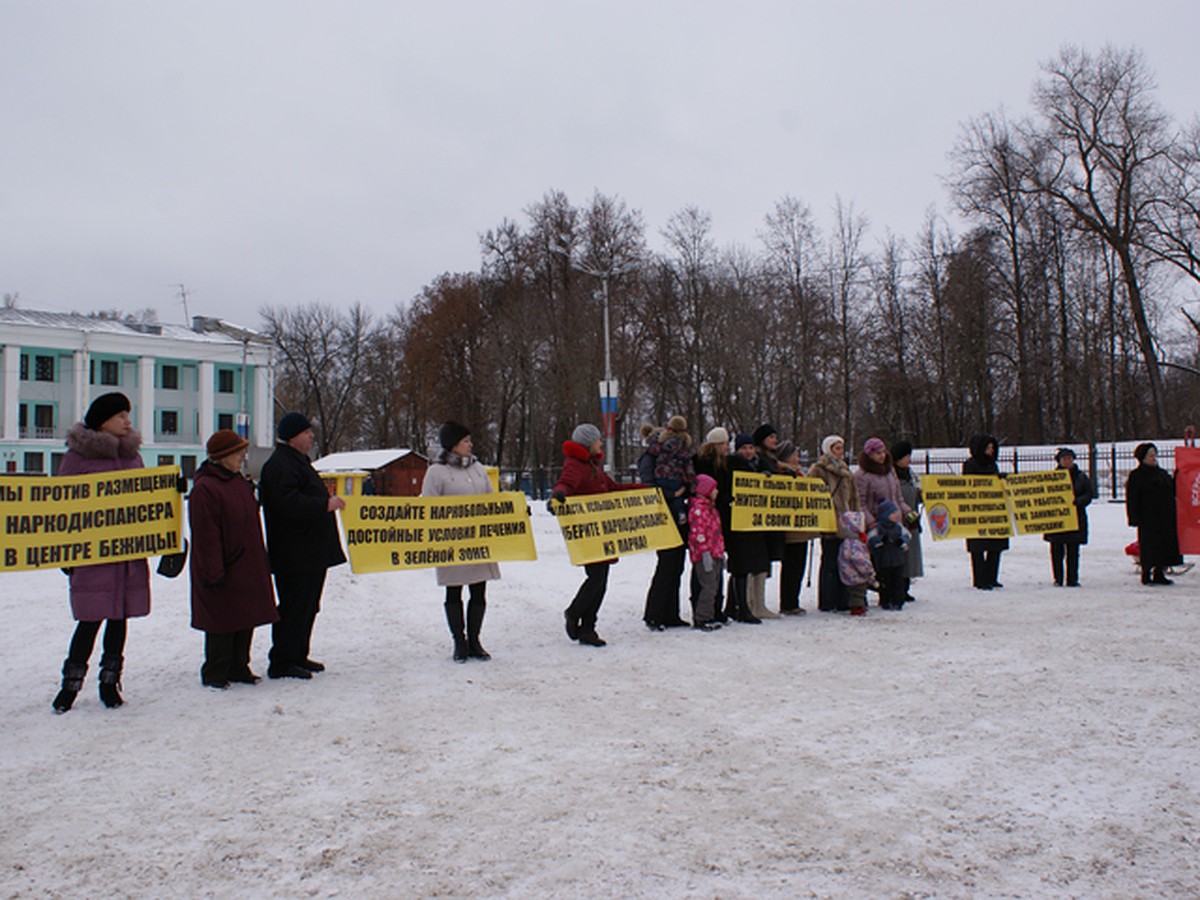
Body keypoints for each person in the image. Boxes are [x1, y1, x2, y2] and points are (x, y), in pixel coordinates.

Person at [51, 392, 150, 712]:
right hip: (93, 556)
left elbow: (146, 502)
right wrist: (66, 552)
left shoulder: (133, 456)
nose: (127, 421)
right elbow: (62, 508)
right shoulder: (78, 458)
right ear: (102, 421)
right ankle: (70, 685)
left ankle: (111, 681)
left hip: (127, 554)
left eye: (127, 415)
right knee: (90, 619)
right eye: (121, 415)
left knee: (120, 617)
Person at [188, 429, 279, 688]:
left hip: (246, 562)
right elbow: (206, 535)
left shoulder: (238, 482)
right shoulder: (206, 488)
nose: (243, 456)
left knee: (245, 615)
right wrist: (213, 571)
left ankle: (239, 666)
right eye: (238, 451)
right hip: (223, 564)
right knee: (221, 619)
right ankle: (216, 671)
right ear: (222, 456)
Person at [259, 412, 347, 679]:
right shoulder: (280, 465)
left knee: (309, 605)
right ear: (293, 436)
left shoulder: (297, 462)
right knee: (294, 606)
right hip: (294, 553)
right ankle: (283, 660)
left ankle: (298, 654)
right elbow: (287, 502)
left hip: (310, 551)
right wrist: (323, 504)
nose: (311, 437)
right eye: (306, 432)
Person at [550, 423, 640, 647]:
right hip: (588, 532)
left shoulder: (594, 465)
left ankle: (588, 628)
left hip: (602, 532)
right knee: (596, 579)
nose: (601, 443)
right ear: (589, 443)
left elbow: (613, 488)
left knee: (601, 582)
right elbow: (565, 483)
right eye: (598, 440)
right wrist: (558, 495)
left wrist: (644, 489)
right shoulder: (575, 465)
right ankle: (574, 613)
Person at [421, 422, 501, 662]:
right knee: (454, 592)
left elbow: (491, 499)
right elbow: (429, 506)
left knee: (479, 590)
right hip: (452, 542)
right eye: (465, 441)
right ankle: (459, 641)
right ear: (453, 445)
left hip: (478, 540)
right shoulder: (437, 472)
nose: (470, 444)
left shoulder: (478, 468)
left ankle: (475, 640)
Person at [640, 417, 694, 631]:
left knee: (677, 564)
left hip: (678, 510)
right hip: (661, 514)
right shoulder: (650, 457)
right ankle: (654, 614)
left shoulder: (676, 455)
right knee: (666, 564)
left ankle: (671, 614)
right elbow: (647, 487)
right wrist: (672, 493)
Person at [808, 435, 860, 612]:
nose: (840, 452)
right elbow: (810, 491)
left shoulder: (846, 470)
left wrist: (856, 516)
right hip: (829, 521)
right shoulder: (819, 469)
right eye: (837, 448)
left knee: (845, 560)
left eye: (841, 448)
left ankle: (843, 599)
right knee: (830, 560)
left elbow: (854, 496)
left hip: (846, 522)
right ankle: (827, 600)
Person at [725, 433, 772, 623]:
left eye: (751, 448)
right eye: (744, 448)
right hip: (738, 522)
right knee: (740, 566)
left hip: (754, 523)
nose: (748, 452)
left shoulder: (760, 464)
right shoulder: (731, 465)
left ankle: (737, 605)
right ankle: (739, 607)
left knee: (748, 565)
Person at [1125, 442, 1182, 585]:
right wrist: (1134, 517)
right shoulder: (1137, 475)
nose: (1153, 458)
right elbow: (1132, 497)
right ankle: (1146, 573)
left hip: (1165, 516)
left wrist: (1177, 478)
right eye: (1150, 455)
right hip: (1148, 517)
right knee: (1149, 546)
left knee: (1164, 545)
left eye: (1154, 455)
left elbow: (1172, 490)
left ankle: (1159, 573)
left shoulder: (1161, 473)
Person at [692, 427, 730, 622]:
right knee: (704, 575)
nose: (727, 447)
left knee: (715, 574)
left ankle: (715, 608)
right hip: (704, 542)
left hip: (716, 530)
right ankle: (702, 611)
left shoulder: (723, 463)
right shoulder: (704, 463)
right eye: (724, 443)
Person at [963, 434, 1008, 590]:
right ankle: (980, 579)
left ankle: (992, 577)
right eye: (988, 448)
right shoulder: (970, 465)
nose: (991, 451)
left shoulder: (993, 464)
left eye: (992, 448)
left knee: (995, 546)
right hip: (977, 512)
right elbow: (971, 485)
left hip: (994, 511)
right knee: (978, 547)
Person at [1044, 447, 1094, 587]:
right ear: (1059, 461)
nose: (1067, 461)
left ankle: (1072, 579)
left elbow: (1088, 494)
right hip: (1057, 520)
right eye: (1064, 459)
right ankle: (1058, 578)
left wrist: (1078, 501)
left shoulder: (1081, 477)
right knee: (1056, 551)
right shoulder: (1052, 478)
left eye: (1069, 458)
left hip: (1076, 518)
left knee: (1073, 551)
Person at [776, 441, 812, 616]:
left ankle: (793, 600)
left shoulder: (798, 474)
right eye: (795, 455)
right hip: (791, 528)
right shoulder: (784, 474)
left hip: (801, 527)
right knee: (792, 566)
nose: (798, 458)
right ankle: (788, 602)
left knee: (798, 566)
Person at [687, 474, 725, 631]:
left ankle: (708, 616)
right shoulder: (699, 510)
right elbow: (698, 533)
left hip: (715, 553)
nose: (717, 491)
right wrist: (704, 553)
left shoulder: (711, 508)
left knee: (713, 585)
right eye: (714, 488)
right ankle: (702, 618)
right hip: (704, 555)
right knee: (708, 586)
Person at [891, 441, 924, 603]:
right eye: (905, 457)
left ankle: (906, 586)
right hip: (897, 519)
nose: (908, 460)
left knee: (911, 554)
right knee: (899, 554)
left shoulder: (910, 474)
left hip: (911, 518)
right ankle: (897, 588)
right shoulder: (891, 475)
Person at [868, 498, 911, 610]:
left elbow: (907, 535)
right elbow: (871, 539)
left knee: (898, 582)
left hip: (897, 560)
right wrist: (881, 540)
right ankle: (885, 600)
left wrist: (902, 541)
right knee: (885, 581)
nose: (896, 515)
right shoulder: (878, 528)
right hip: (884, 560)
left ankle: (898, 601)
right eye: (893, 513)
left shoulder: (898, 527)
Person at [836, 509, 874, 616]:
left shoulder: (848, 541)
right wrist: (868, 570)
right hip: (855, 573)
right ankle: (857, 608)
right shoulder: (855, 543)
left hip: (849, 572)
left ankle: (858, 607)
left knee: (856, 592)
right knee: (858, 592)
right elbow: (858, 559)